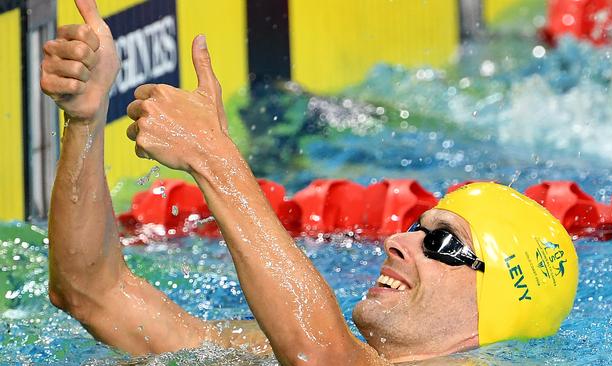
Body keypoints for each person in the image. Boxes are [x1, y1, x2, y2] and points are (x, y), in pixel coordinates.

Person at [41, 1, 579, 364]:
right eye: (417, 226)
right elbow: (93, 293)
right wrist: (85, 123)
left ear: (497, 308)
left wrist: (215, 158)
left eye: (441, 242)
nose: (397, 240)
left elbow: (319, 358)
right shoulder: (282, 349)